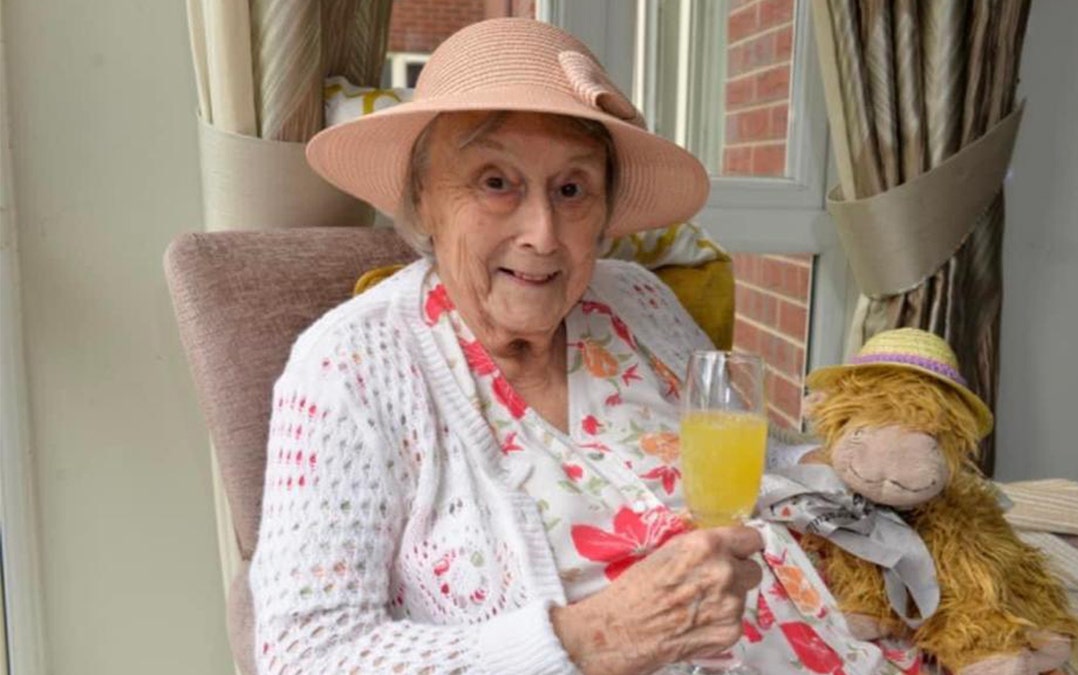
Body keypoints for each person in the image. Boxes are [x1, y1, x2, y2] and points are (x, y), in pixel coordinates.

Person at [251, 18, 915, 675]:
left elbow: (760, 470)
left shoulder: (639, 299)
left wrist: (865, 462)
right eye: (494, 181)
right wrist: (588, 639)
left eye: (571, 190)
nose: (542, 233)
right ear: (422, 200)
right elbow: (304, 656)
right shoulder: (349, 365)